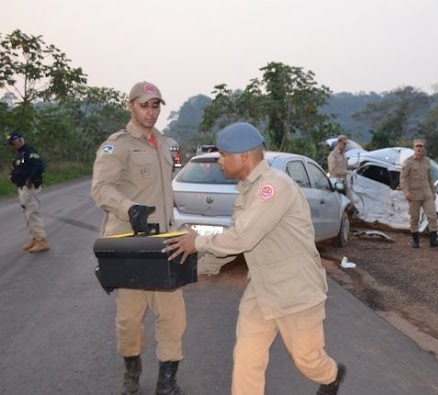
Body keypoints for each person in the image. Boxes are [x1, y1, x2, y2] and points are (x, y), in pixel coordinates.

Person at [163, 122, 346, 395]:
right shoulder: (247, 190)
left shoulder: (273, 187)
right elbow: (234, 239)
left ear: (244, 156)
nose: (219, 161)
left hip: (295, 291)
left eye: (224, 155)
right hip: (261, 289)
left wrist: (196, 242)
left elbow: (243, 237)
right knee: (248, 358)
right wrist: (195, 270)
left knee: (308, 360)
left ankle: (331, 376)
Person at [91, 81, 186, 395]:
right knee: (130, 319)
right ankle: (132, 370)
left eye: (156, 105)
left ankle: (167, 381)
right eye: (144, 105)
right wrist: (130, 208)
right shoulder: (116, 145)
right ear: (130, 105)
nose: (151, 111)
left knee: (173, 317)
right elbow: (101, 189)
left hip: (165, 244)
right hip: (130, 245)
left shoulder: (164, 143)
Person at [5, 131, 49, 253]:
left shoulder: (30, 151)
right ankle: (34, 238)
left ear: (19, 140)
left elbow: (39, 166)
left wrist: (30, 179)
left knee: (32, 213)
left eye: (12, 143)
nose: (11, 146)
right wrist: (12, 176)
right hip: (21, 188)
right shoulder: (19, 154)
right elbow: (17, 169)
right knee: (26, 214)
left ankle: (41, 240)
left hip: (29, 188)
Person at [399, 138, 438, 248]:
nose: (419, 148)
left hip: (427, 193)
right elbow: (403, 178)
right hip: (414, 194)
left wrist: (433, 191)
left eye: (421, 146)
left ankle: (433, 240)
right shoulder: (408, 162)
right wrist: (406, 192)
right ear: (413, 148)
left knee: (432, 215)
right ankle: (415, 240)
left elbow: (430, 178)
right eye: (417, 146)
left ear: (424, 148)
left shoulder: (427, 161)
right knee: (414, 217)